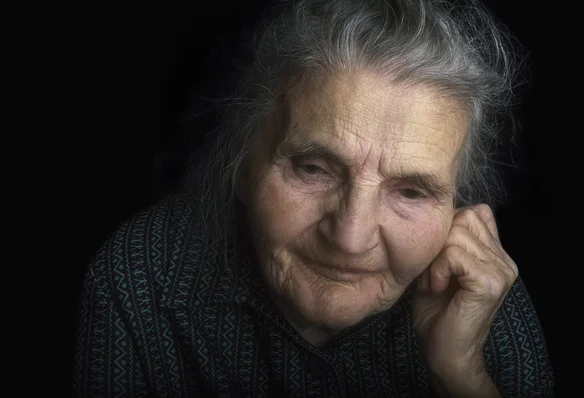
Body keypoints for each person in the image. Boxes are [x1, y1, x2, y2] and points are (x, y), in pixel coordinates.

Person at [72, 0, 554, 396]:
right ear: (239, 165)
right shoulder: (143, 277)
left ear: (458, 208)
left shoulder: (479, 291)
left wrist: (462, 373)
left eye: (411, 191)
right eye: (313, 168)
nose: (350, 238)